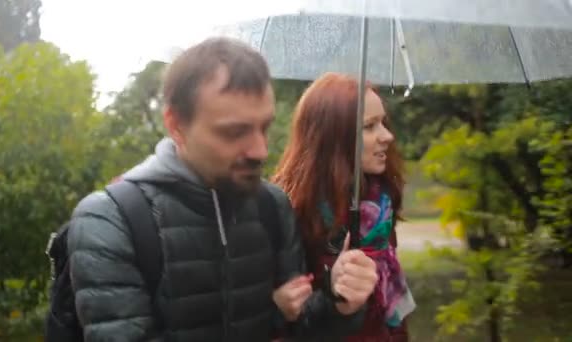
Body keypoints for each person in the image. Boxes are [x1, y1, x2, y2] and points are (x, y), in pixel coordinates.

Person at [66, 38, 378, 341]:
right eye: (234, 131)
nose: (261, 150)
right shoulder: (112, 220)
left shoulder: (272, 205)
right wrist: (273, 311)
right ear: (176, 125)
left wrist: (339, 303)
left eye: (264, 127)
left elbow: (302, 326)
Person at [272, 72, 416, 341]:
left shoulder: (379, 205)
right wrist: (332, 289)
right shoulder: (290, 213)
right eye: (370, 126)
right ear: (333, 136)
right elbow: (287, 321)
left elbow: (393, 304)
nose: (387, 136)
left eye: (383, 123)